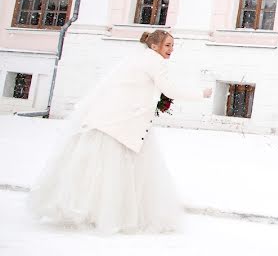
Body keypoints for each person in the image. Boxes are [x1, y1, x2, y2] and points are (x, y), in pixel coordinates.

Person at [29, 30, 212, 234]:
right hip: (122, 123)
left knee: (100, 170)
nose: (171, 49)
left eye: (172, 45)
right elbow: (170, 90)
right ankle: (112, 215)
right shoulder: (154, 62)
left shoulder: (140, 58)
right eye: (168, 45)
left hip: (117, 119)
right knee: (120, 170)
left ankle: (88, 210)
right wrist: (200, 94)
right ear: (155, 46)